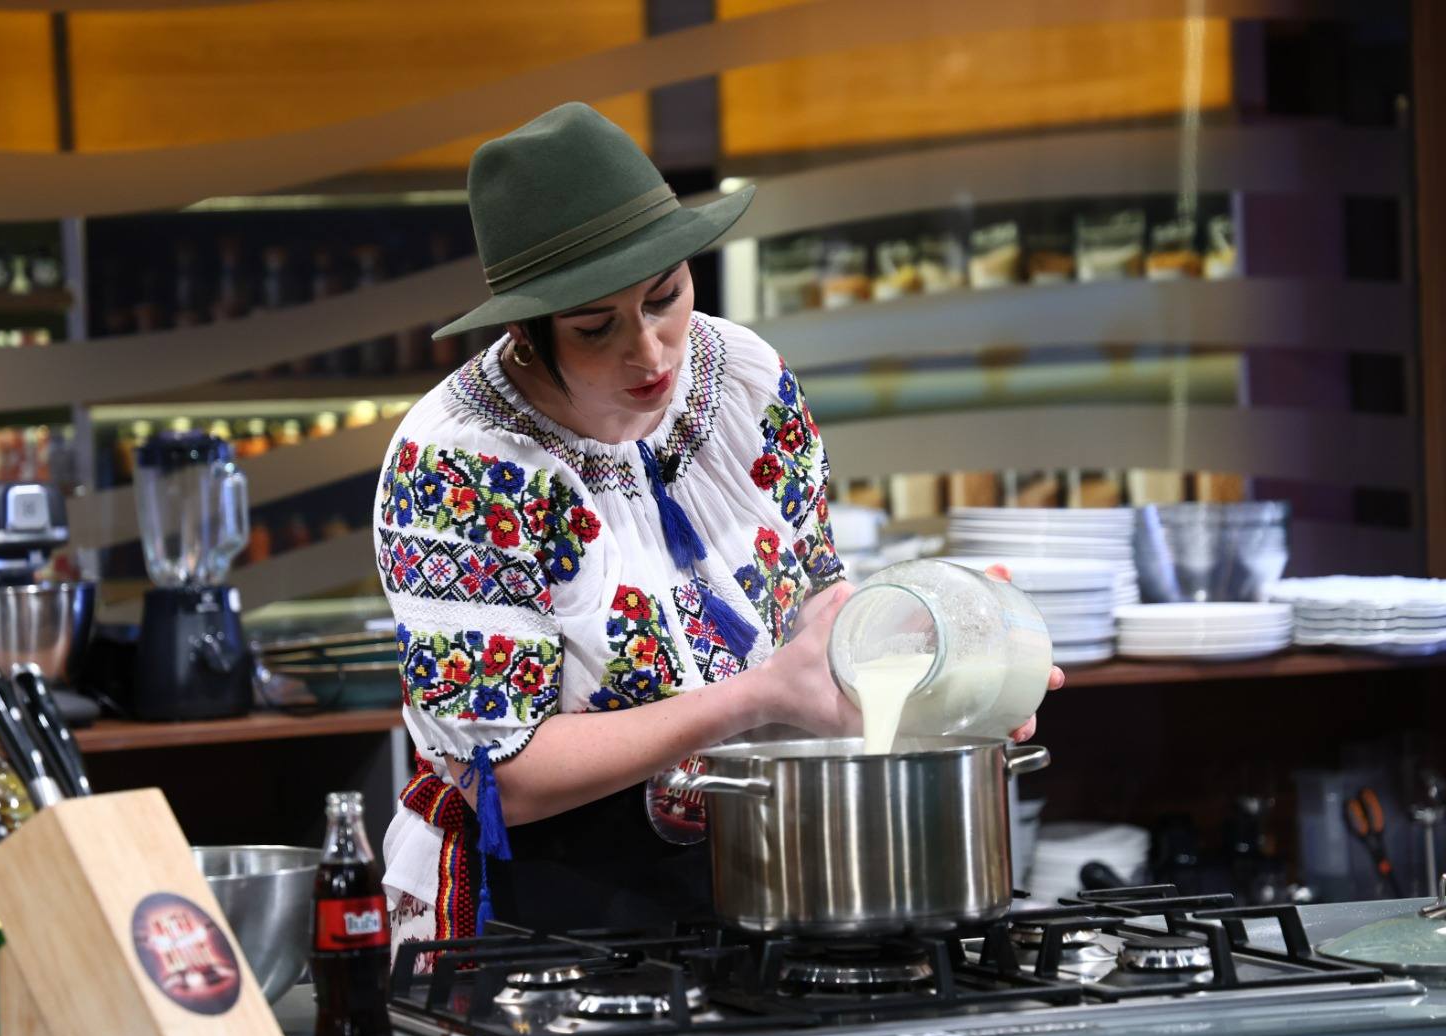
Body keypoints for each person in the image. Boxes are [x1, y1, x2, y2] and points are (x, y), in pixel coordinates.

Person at [372, 102, 1064, 966]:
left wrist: (943, 652)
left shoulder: (743, 379)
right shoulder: (460, 467)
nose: (652, 352)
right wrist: (757, 697)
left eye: (665, 297)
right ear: (523, 330)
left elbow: (812, 606)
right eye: (595, 328)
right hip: (545, 904)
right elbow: (499, 778)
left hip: (761, 868)